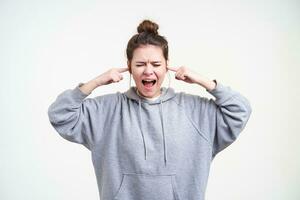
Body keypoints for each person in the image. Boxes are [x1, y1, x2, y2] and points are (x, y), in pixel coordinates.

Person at [48, 19, 252, 200]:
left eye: (156, 63)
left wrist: (203, 81)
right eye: (140, 64)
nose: (148, 70)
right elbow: (60, 114)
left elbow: (240, 110)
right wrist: (97, 81)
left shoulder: (195, 111)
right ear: (129, 67)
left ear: (166, 66)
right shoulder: (106, 111)